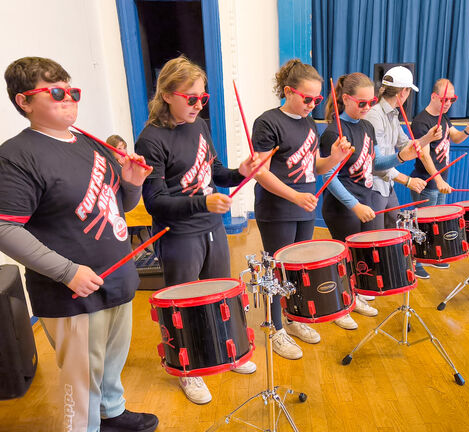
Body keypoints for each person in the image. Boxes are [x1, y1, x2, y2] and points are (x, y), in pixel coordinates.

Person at [0, 56, 157, 432]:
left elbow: (118, 207)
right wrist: (67, 272)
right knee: (79, 376)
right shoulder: (16, 156)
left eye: (73, 91)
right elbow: (5, 226)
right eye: (56, 92)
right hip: (71, 292)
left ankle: (111, 412)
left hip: (117, 279)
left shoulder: (89, 142)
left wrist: (132, 183)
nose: (69, 99)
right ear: (24, 101)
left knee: (109, 365)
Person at [135, 56, 259, 405]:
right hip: (179, 233)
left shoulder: (200, 126)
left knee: (221, 294)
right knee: (182, 303)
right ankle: (186, 370)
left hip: (210, 226)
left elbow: (214, 171)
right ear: (167, 95)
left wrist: (240, 172)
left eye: (202, 97)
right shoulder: (151, 139)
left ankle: (224, 352)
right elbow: (155, 200)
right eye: (190, 98)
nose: (197, 104)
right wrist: (202, 204)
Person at [250, 59, 352, 360]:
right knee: (277, 270)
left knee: (299, 269)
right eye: (307, 98)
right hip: (277, 208)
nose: (312, 104)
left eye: (317, 99)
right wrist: (295, 197)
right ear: (288, 92)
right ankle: (276, 327)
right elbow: (261, 172)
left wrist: (333, 158)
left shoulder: (309, 123)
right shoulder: (267, 122)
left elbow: (313, 168)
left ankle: (294, 318)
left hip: (304, 205)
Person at [320, 72, 420, 330]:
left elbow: (373, 164)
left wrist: (400, 156)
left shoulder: (366, 126)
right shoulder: (333, 132)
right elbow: (328, 176)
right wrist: (354, 204)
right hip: (344, 207)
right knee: (344, 260)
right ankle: (340, 307)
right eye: (361, 103)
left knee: (361, 257)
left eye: (370, 102)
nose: (367, 108)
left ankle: (353, 298)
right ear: (345, 99)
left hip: (367, 199)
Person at [410, 78, 469, 278]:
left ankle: (430, 257)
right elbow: (423, 155)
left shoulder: (444, 119)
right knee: (421, 226)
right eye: (444, 99)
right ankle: (415, 262)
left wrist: (468, 129)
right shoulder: (421, 121)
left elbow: (456, 137)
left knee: (437, 223)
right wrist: (439, 179)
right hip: (426, 182)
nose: (448, 103)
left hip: (439, 183)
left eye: (452, 99)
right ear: (434, 96)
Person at [365, 66, 440, 227]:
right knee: (375, 240)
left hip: (387, 186)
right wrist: (407, 181)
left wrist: (428, 137)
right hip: (373, 188)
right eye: (408, 92)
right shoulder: (374, 115)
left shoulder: (392, 114)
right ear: (403, 92)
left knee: (396, 232)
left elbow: (406, 144)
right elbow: (376, 163)